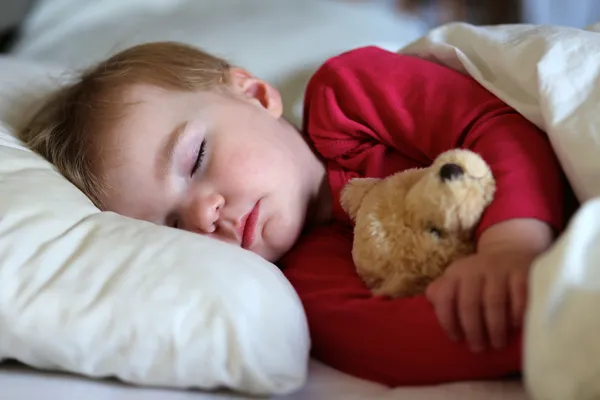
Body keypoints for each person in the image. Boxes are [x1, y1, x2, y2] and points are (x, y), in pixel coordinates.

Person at [19, 41, 568, 386]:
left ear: (255, 94)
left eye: (196, 158)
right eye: (173, 226)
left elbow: (491, 125)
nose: (205, 214)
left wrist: (512, 244)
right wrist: (546, 321)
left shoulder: (350, 95)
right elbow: (397, 346)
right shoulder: (303, 288)